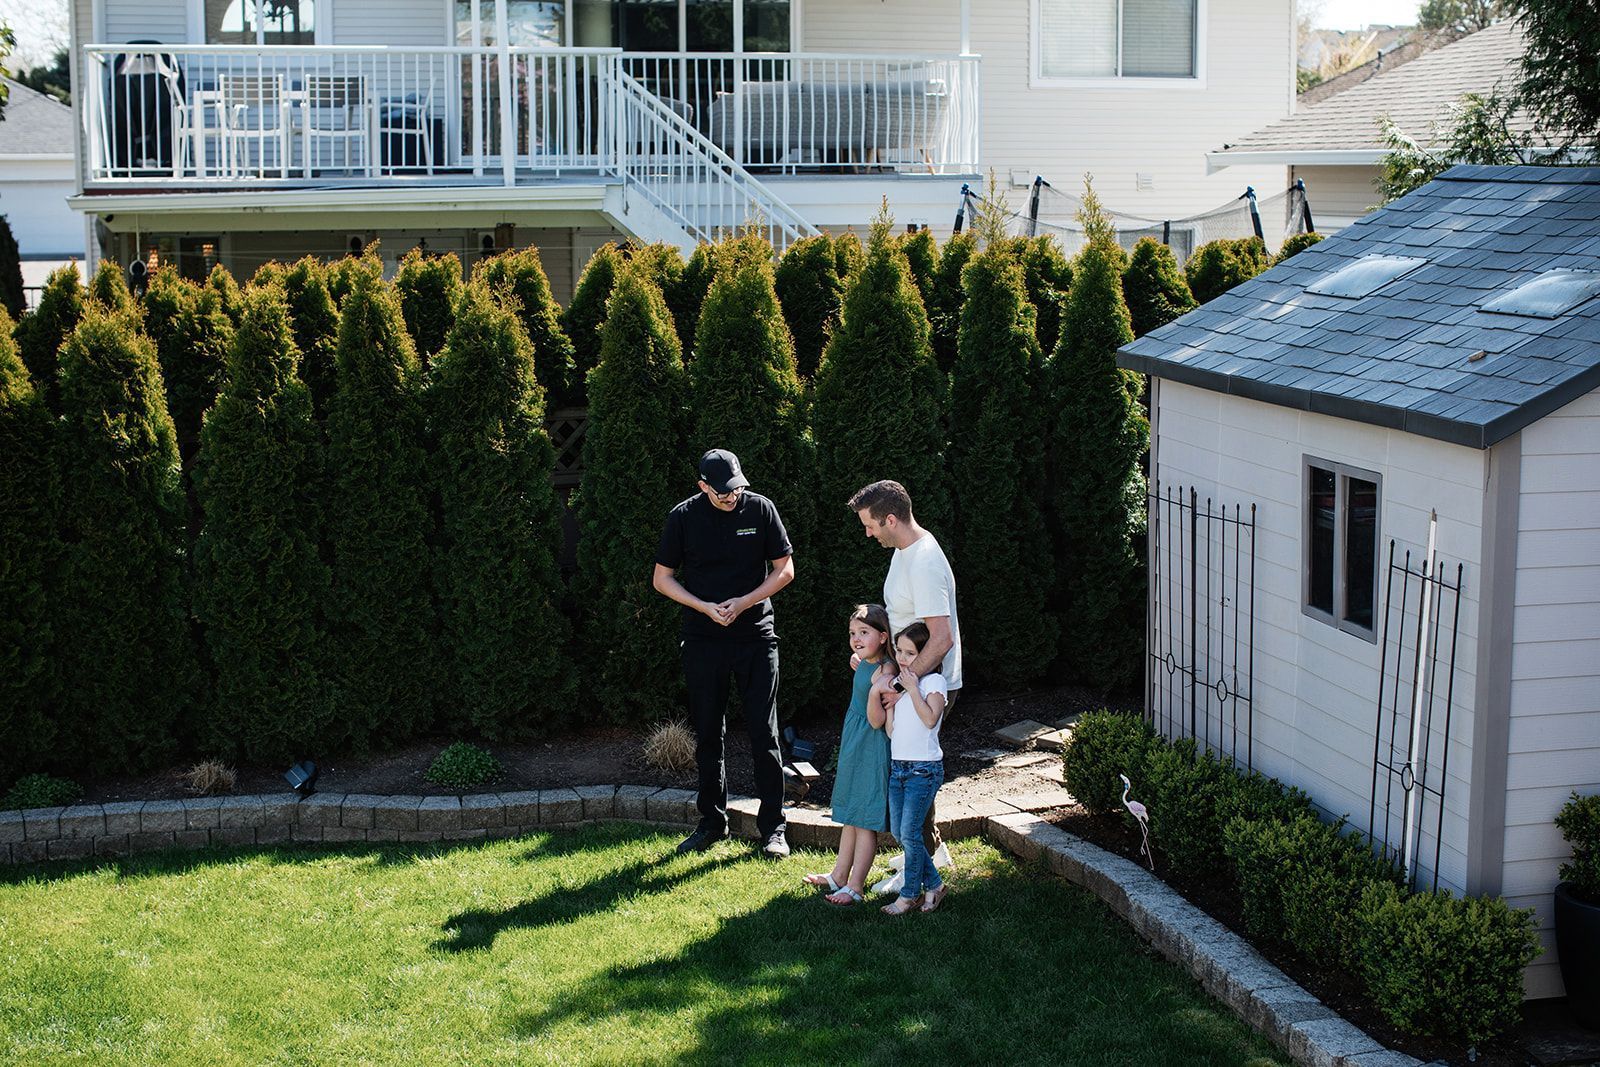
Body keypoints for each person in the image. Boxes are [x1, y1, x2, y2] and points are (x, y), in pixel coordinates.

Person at [653, 449, 795, 859]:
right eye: (722, 493)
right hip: (702, 638)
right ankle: (712, 824)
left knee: (763, 733)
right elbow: (662, 579)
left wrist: (746, 601)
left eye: (736, 489)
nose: (732, 497)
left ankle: (774, 829)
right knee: (708, 733)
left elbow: (785, 569)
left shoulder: (761, 509)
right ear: (703, 487)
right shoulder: (683, 517)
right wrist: (704, 607)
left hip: (755, 636)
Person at [848, 479, 961, 894]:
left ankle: (918, 869)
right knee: (912, 771)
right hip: (910, 680)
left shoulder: (924, 561)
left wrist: (902, 685)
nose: (868, 533)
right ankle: (927, 851)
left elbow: (941, 638)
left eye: (870, 525)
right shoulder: (904, 552)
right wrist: (873, 654)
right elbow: (901, 622)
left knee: (915, 774)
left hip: (928, 685)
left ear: (890, 519)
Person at [803, 604, 893, 906]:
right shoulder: (867, 661)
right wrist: (859, 657)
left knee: (864, 817)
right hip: (856, 739)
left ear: (883, 636)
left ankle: (855, 886)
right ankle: (839, 875)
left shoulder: (886, 669)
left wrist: (873, 688)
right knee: (851, 814)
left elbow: (878, 718)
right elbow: (861, 661)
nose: (856, 639)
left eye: (864, 633)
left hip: (872, 743)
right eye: (853, 633)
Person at [882, 622, 949, 914]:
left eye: (910, 652)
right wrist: (890, 707)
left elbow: (930, 719)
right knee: (899, 832)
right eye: (899, 650)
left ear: (926, 655)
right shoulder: (901, 684)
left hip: (924, 769)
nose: (902, 657)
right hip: (898, 768)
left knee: (910, 831)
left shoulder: (932, 683)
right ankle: (935, 885)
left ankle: (909, 895)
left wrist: (912, 689)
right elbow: (891, 733)